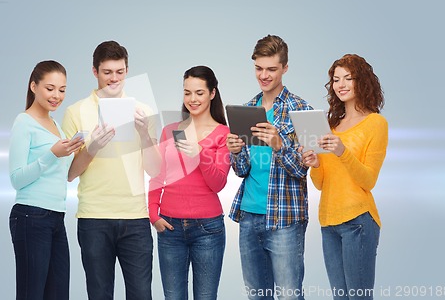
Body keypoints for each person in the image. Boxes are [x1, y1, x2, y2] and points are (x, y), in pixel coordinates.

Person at [61, 41, 160, 300]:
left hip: (136, 218)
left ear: (127, 70)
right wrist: (92, 148)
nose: (114, 78)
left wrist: (144, 135)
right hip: (94, 217)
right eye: (107, 72)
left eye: (120, 71)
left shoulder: (144, 111)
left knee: (141, 294)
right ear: (94, 71)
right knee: (99, 294)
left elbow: (156, 170)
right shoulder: (76, 111)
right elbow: (69, 174)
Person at [226, 35, 312, 300]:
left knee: (289, 296)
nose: (264, 75)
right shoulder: (248, 109)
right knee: (256, 295)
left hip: (285, 220)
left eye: (271, 69)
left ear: (285, 68)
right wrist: (236, 151)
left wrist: (279, 144)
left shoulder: (301, 110)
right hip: (249, 216)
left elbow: (302, 170)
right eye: (259, 68)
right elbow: (242, 170)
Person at [301, 54, 387, 300]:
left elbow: (368, 180)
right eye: (336, 79)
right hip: (329, 223)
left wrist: (341, 151)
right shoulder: (330, 125)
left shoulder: (376, 123)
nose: (341, 84)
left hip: (358, 222)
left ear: (363, 81)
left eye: (348, 78)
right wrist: (315, 164)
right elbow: (321, 183)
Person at [149, 65, 231, 300]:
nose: (192, 99)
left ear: (212, 93)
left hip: (208, 229)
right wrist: (153, 213)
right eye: (187, 93)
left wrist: (200, 153)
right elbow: (157, 175)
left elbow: (218, 183)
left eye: (199, 93)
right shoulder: (170, 131)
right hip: (170, 228)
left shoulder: (223, 134)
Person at [9, 60, 83, 300]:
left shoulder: (57, 127)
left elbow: (67, 175)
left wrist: (89, 149)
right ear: (33, 86)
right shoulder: (24, 122)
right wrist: (52, 154)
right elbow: (17, 178)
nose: (56, 96)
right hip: (31, 216)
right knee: (32, 294)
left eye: (62, 90)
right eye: (50, 88)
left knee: (59, 293)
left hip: (55, 217)